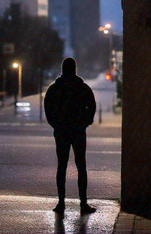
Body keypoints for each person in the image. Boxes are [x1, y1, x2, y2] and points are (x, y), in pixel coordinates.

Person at [44, 57, 97, 215]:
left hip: (61, 131)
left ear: (62, 69)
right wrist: (86, 121)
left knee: (62, 166)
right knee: (81, 166)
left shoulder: (54, 88)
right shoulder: (82, 87)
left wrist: (55, 124)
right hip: (78, 131)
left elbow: (48, 107)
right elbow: (92, 105)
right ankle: (83, 203)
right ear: (75, 69)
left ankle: (61, 203)